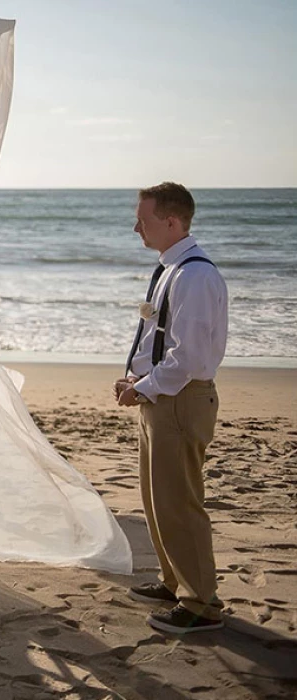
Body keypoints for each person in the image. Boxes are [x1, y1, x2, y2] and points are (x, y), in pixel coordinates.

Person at [115, 182, 228, 634]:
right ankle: (174, 581)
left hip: (180, 400)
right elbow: (159, 341)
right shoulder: (171, 269)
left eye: (143, 219)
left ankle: (201, 603)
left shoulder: (195, 276)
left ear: (172, 221)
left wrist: (146, 387)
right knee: (157, 499)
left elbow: (192, 358)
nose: (135, 226)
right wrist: (138, 379)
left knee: (179, 502)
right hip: (162, 395)